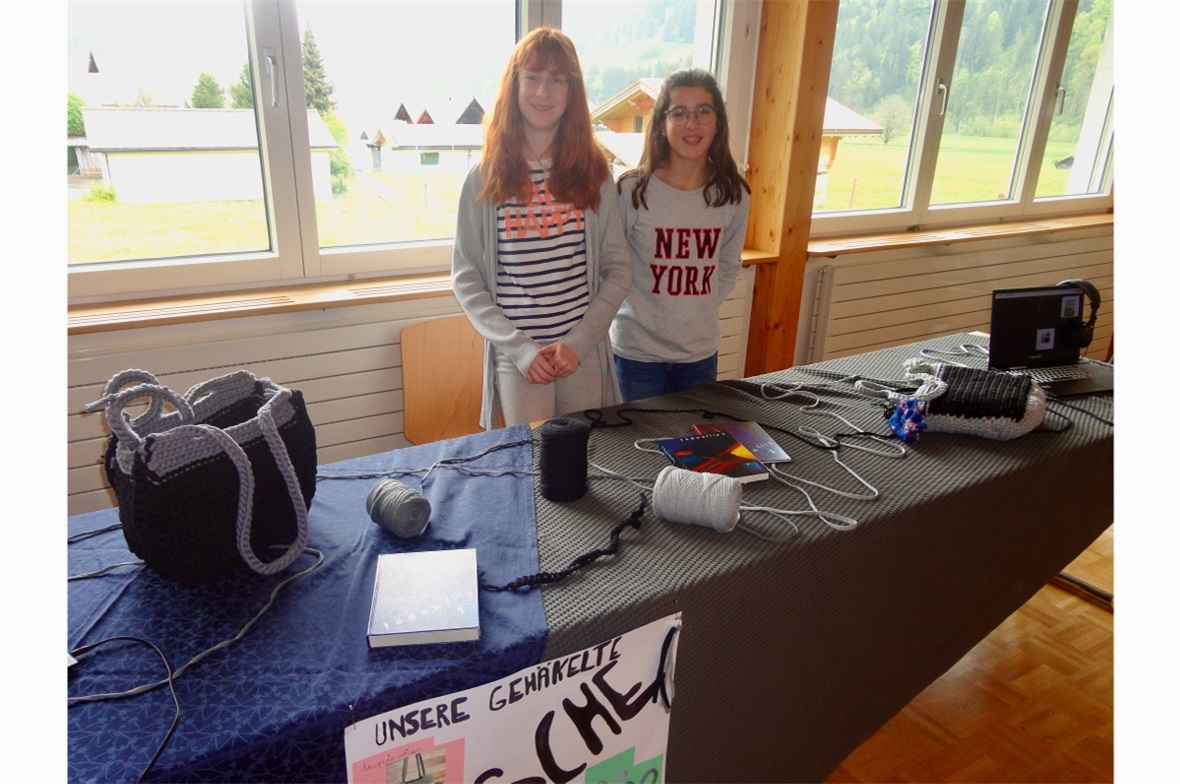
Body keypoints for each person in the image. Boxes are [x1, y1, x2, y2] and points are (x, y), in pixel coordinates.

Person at [452, 27, 632, 429]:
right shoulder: (484, 178)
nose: (543, 92)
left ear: (572, 91)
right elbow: (465, 278)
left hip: (580, 355)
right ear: (514, 85)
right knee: (535, 465)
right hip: (520, 361)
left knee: (585, 459)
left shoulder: (594, 173)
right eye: (532, 77)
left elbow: (619, 269)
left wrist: (579, 342)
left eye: (557, 79)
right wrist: (519, 349)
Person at [610, 68, 751, 401]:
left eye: (703, 111)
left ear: (718, 121)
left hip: (698, 355)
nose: (692, 123)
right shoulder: (631, 191)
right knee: (632, 449)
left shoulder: (734, 194)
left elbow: (729, 265)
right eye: (679, 113)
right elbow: (612, 267)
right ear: (662, 123)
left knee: (693, 446)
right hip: (635, 354)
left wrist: (693, 311)